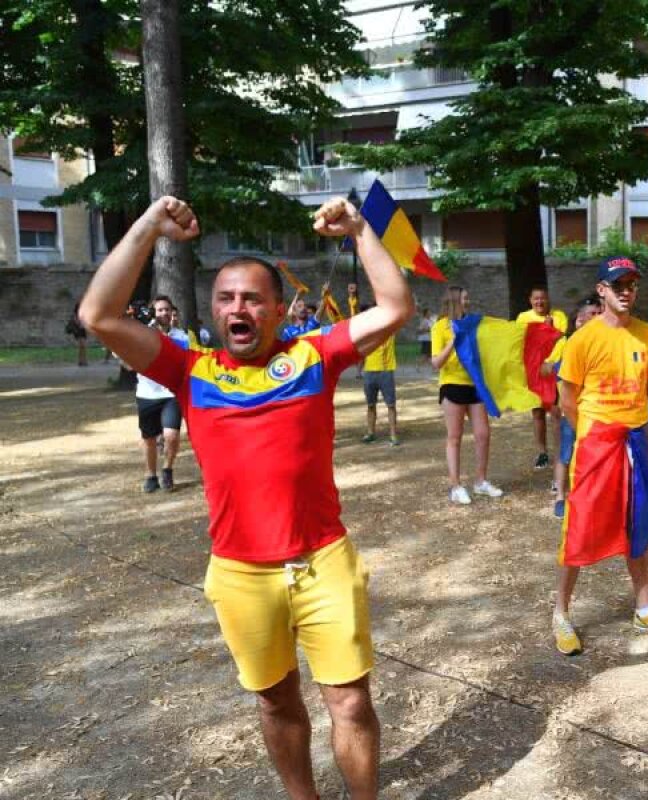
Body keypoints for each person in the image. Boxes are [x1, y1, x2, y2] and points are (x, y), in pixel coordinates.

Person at [78, 194, 413, 798]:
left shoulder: (314, 356)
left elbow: (395, 305)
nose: (239, 308)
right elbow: (98, 314)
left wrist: (361, 228)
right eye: (227, 298)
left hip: (323, 561)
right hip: (239, 572)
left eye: (253, 298)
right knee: (276, 702)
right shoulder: (191, 368)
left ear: (278, 310)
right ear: (212, 309)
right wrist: (150, 228)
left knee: (351, 701)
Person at [554, 257, 648, 656]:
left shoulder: (647, 336)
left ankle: (644, 607)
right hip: (597, 442)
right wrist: (596, 432)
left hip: (635, 441)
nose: (626, 290)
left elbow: (646, 388)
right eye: (618, 284)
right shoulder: (583, 339)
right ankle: (560, 612)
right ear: (602, 290)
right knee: (580, 525)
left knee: (639, 522)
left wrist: (631, 426)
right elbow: (566, 400)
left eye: (631, 284)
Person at [431, 285, 504, 504]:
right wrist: (454, 340)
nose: (468, 302)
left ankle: (481, 481)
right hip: (452, 385)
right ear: (454, 300)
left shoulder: (474, 324)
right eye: (465, 298)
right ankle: (455, 486)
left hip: (475, 385)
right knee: (455, 437)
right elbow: (436, 362)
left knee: (483, 434)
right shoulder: (440, 327)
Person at [548, 294, 604, 518]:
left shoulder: (605, 341)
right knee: (566, 452)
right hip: (572, 407)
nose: (598, 317)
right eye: (593, 314)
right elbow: (551, 370)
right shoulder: (567, 342)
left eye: (600, 313)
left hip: (597, 409)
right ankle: (560, 496)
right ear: (580, 318)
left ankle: (591, 496)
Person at [133, 295, 189, 493]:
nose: (164, 313)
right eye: (159, 310)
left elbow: (187, 362)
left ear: (172, 312)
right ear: (153, 313)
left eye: (167, 309)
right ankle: (150, 475)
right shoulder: (143, 335)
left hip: (171, 394)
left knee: (171, 435)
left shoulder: (182, 336)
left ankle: (167, 469)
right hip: (147, 394)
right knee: (149, 438)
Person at [515, 285, 569, 471]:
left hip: (552, 369)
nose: (539, 302)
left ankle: (559, 453)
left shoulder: (559, 315)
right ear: (530, 300)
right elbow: (524, 341)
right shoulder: (523, 317)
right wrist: (546, 330)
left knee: (556, 412)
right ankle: (541, 452)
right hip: (534, 370)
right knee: (537, 412)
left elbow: (561, 339)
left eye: (543, 298)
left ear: (548, 299)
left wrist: (547, 332)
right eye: (536, 299)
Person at [359, 302, 399, 446]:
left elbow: (398, 314)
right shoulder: (366, 332)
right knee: (370, 405)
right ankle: (370, 432)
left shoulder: (389, 330)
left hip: (386, 371)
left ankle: (393, 435)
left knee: (391, 405)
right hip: (369, 371)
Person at [67, 301, 88, 366]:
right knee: (82, 346)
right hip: (78, 331)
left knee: (83, 347)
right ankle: (81, 361)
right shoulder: (75, 315)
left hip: (83, 331)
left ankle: (83, 361)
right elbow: (77, 323)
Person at [417, 306, 435, 371]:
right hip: (426, 340)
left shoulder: (430, 320)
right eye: (428, 312)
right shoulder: (424, 321)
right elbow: (420, 330)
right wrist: (428, 329)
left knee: (429, 355)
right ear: (426, 314)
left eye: (430, 312)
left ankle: (434, 368)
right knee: (426, 356)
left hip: (430, 339)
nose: (430, 313)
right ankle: (434, 368)